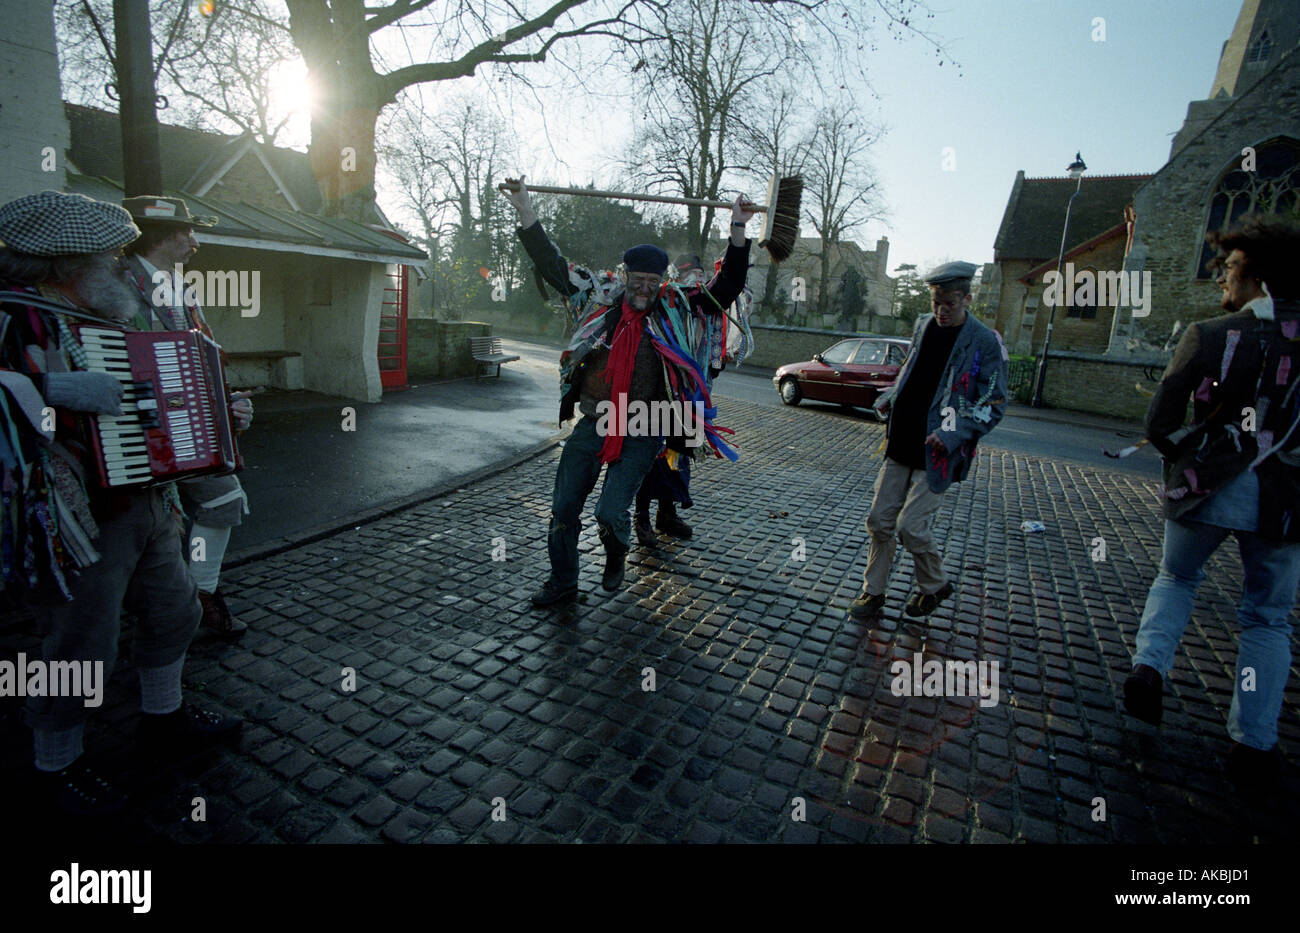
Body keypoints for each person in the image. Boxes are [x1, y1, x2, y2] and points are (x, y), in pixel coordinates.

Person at [0, 190, 242, 816]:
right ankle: (55, 767)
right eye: (107, 258)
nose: (120, 266)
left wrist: (218, 416)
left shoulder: (113, 318)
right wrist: (49, 388)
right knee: (77, 647)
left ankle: (164, 719)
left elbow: (154, 400)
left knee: (174, 612)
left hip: (144, 497)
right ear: (62, 265)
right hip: (66, 514)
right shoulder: (12, 315)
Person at [501, 177, 753, 606]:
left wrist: (738, 229)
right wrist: (526, 208)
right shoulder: (599, 297)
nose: (643, 289)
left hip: (643, 426)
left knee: (609, 512)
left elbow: (725, 288)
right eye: (637, 280)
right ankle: (562, 584)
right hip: (596, 420)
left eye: (651, 282)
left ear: (662, 282)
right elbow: (552, 265)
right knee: (563, 509)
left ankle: (617, 550)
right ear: (624, 277)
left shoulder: (677, 304)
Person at [1124, 215, 1300, 792]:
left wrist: (1188, 464)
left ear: (1256, 279)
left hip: (1207, 489)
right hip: (1282, 504)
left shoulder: (1210, 333)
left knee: (1175, 579)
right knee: (1267, 618)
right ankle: (1253, 743)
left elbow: (1161, 422)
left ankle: (1149, 671)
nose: (1223, 278)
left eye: (1229, 268)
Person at [119, 196, 253, 639]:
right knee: (142, 528)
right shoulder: (114, 283)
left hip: (186, 424)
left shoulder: (179, 287)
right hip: (133, 429)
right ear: (163, 235)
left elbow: (199, 360)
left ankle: (199, 599)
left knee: (223, 498)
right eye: (187, 231)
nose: (194, 240)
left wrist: (226, 405)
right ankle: (170, 612)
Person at [847, 261, 1008, 621]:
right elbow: (912, 368)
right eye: (936, 301)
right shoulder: (922, 324)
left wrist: (954, 432)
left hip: (939, 451)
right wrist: (893, 395)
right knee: (879, 521)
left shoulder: (984, 341)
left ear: (967, 298)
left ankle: (934, 585)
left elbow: (994, 403)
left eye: (949, 302)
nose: (941, 310)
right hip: (902, 439)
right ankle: (873, 593)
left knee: (910, 526)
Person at [632, 252, 752, 546]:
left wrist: (720, 358)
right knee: (650, 458)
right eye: (691, 274)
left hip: (690, 400)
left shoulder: (706, 311)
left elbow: (712, 359)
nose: (696, 279)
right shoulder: (665, 303)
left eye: (700, 274)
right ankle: (642, 517)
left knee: (679, 458)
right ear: (676, 277)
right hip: (656, 397)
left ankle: (667, 513)